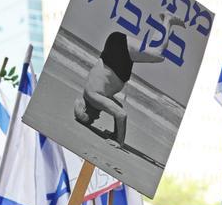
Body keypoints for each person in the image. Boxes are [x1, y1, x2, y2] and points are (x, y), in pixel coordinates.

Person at [75, 13, 186, 150]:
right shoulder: (90, 94)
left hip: (117, 57)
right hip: (116, 52)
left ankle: (168, 20)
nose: (96, 119)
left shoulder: (93, 97)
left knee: (158, 54)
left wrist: (119, 142)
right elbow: (119, 108)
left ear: (86, 109)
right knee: (154, 50)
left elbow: (121, 115)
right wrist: (115, 133)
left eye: (91, 118)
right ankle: (164, 21)